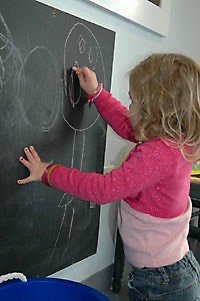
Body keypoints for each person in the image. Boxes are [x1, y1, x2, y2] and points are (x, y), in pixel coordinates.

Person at [18, 53, 200, 300]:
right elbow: (129, 125)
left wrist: (48, 172)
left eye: (135, 103)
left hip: (162, 282)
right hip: (171, 269)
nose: (131, 107)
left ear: (156, 111)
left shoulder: (159, 153)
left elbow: (103, 190)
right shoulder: (174, 140)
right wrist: (96, 94)